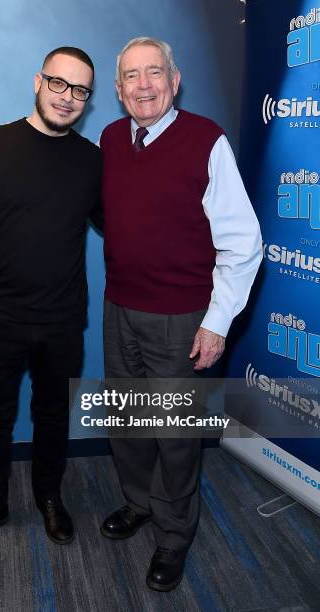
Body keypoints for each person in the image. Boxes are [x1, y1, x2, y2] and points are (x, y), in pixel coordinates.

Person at [99, 37, 262, 592]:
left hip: (183, 317)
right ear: (119, 90)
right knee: (129, 420)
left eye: (154, 73)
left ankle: (173, 536)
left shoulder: (206, 140)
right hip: (119, 307)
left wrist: (216, 321)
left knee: (174, 433)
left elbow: (243, 243)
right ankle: (138, 503)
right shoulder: (111, 138)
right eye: (131, 76)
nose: (143, 85)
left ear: (175, 79)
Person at [0, 47, 102, 555]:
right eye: (59, 84)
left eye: (80, 90)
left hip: (62, 320)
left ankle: (50, 499)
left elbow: (122, 226)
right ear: (38, 81)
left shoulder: (91, 159)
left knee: (53, 414)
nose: (68, 98)